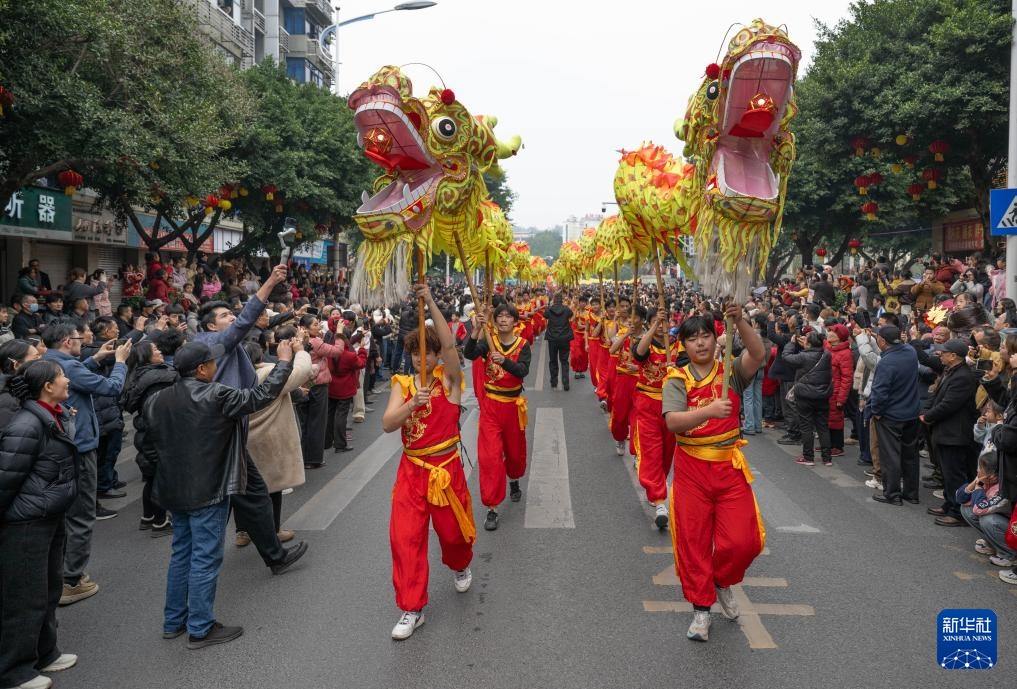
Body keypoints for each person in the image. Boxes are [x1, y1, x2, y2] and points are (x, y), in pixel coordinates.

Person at [146, 339, 296, 649]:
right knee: (204, 557)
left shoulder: (158, 400)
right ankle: (200, 627)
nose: (218, 366)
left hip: (174, 489)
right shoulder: (216, 395)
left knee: (182, 554)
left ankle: (174, 621)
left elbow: (152, 446)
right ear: (201, 369)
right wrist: (283, 362)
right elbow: (262, 395)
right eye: (213, 362)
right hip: (208, 489)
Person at [194, 264, 308, 574]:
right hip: (222, 430)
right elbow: (248, 318)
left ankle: (272, 553)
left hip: (228, 426)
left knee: (251, 492)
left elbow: (256, 320)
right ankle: (215, 559)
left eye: (232, 315)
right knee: (235, 496)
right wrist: (271, 280)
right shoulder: (214, 344)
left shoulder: (217, 343)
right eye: (225, 317)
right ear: (211, 327)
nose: (233, 318)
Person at [662, 302, 765, 643]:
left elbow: (758, 353)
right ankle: (701, 611)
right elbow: (673, 422)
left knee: (744, 541)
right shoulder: (676, 379)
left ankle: (721, 580)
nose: (701, 343)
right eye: (693, 339)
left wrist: (741, 321)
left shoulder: (731, 372)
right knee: (693, 544)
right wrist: (708, 410)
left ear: (716, 338)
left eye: (706, 335)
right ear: (685, 345)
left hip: (728, 467)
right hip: (692, 470)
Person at [381, 284, 474, 640]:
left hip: (446, 469)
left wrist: (431, 302)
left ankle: (461, 565)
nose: (423, 359)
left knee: (452, 536)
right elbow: (388, 424)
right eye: (418, 354)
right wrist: (411, 405)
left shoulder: (450, 381)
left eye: (429, 353)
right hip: (412, 471)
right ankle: (411, 607)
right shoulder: (402, 384)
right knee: (404, 538)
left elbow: (451, 346)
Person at [0, 360, 79, 689]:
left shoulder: (55, 416)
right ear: (47, 386)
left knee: (48, 590)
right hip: (26, 525)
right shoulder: (27, 425)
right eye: (61, 375)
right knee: (24, 598)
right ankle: (13, 671)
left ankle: (45, 652)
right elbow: (5, 481)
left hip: (49, 516)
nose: (67, 380)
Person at [42, 323, 130, 606]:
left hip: (61, 447)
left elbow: (78, 374)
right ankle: (72, 580)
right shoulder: (69, 367)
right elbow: (111, 387)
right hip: (79, 446)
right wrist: (119, 362)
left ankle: (61, 572)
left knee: (65, 513)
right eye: (80, 338)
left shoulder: (51, 362)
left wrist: (96, 358)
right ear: (68, 341)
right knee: (81, 513)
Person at [464, 302, 531, 532]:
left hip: (512, 407)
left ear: (515, 322)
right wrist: (475, 332)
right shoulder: (487, 343)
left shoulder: (523, 345)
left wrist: (506, 362)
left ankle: (514, 480)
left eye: (508, 316)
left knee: (514, 453)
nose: (503, 319)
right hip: (492, 407)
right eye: (500, 316)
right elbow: (469, 353)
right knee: (490, 457)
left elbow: (523, 371)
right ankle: (492, 507)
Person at [241, 339, 313, 547]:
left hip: (244, 438)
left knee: (244, 488)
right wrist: (299, 351)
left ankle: (243, 531)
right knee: (272, 488)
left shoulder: (232, 376)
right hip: (270, 439)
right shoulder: (268, 373)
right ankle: (273, 531)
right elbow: (301, 371)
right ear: (260, 355)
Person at [632, 309, 684, 528]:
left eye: (664, 322)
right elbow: (639, 354)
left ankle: (657, 486)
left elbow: (687, 369)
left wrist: (677, 369)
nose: (662, 326)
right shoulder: (644, 342)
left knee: (666, 453)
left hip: (671, 406)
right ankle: (661, 500)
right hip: (647, 404)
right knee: (652, 452)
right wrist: (653, 327)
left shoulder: (678, 346)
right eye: (655, 322)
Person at [121, 341, 179, 538]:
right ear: (145, 356)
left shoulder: (138, 376)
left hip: (146, 434)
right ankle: (160, 522)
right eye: (155, 349)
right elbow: (162, 411)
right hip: (159, 435)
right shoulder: (159, 378)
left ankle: (148, 516)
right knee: (161, 479)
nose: (160, 350)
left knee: (153, 477)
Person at [921, 339, 980, 525]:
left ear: (954, 356)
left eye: (944, 352)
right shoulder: (950, 371)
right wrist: (926, 411)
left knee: (955, 473)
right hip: (945, 431)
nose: (940, 354)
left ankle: (958, 512)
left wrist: (928, 416)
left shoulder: (963, 376)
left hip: (955, 434)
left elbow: (949, 404)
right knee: (947, 472)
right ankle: (949, 503)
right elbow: (937, 396)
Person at [868, 325, 921, 506]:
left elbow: (880, 392)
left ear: (882, 341)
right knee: (910, 455)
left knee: (890, 455)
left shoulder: (887, 362)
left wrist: (876, 412)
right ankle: (911, 493)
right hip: (911, 412)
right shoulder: (910, 352)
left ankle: (892, 494)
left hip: (891, 415)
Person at [782, 331, 833, 466]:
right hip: (822, 394)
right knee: (823, 426)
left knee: (806, 426)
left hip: (805, 395)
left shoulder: (803, 356)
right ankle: (827, 458)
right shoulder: (827, 354)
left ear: (809, 343)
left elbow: (786, 356)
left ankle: (808, 457)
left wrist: (792, 343)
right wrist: (807, 343)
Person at [0, 339, 42, 428]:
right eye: (36, 358)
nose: (43, 362)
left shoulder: (24, 390)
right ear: (17, 365)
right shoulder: (7, 401)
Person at [826, 324, 854, 456]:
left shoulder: (845, 353)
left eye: (832, 332)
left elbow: (847, 377)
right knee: (826, 417)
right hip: (826, 389)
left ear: (839, 337)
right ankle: (827, 444)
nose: (829, 334)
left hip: (836, 391)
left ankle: (837, 446)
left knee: (836, 419)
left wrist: (841, 398)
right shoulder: (830, 348)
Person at [542, 293, 574, 390]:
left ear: (554, 300)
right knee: (564, 361)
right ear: (562, 300)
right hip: (564, 337)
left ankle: (554, 382)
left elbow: (544, 315)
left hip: (552, 338)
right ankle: (566, 383)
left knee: (553, 360)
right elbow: (571, 315)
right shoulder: (566, 309)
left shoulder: (549, 310)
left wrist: (549, 305)